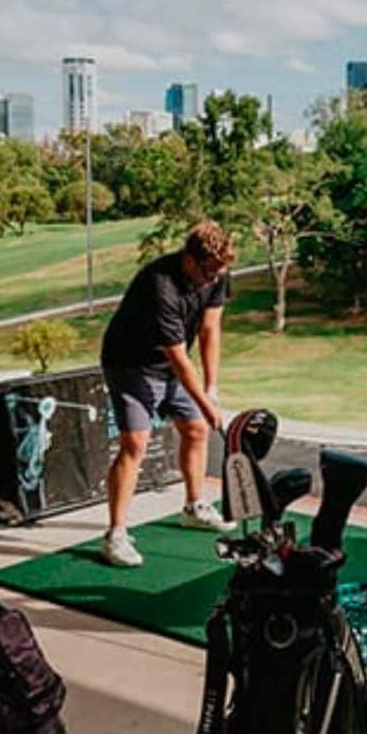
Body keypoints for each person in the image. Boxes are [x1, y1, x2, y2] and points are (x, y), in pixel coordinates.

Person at [99, 220, 236, 567]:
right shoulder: (159, 285)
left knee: (195, 429)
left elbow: (209, 329)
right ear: (189, 259)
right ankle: (115, 534)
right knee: (135, 443)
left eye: (218, 273)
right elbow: (177, 357)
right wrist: (207, 405)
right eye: (208, 272)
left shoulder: (215, 274)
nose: (213, 279)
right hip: (129, 364)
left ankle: (193, 507)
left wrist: (213, 388)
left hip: (171, 367)